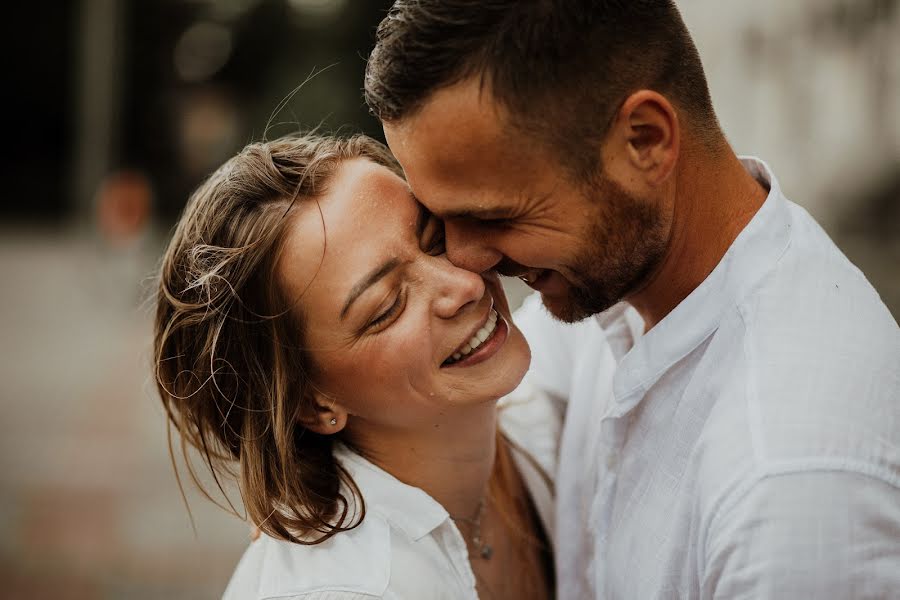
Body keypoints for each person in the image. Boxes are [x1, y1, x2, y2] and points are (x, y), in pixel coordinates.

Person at [364, 1, 900, 598]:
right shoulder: (611, 280)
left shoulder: (789, 488)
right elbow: (502, 419)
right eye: (442, 222)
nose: (463, 262)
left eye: (491, 217)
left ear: (645, 141)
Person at [153, 133, 560, 599]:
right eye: (387, 306)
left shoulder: (550, 418)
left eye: (435, 239)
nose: (462, 285)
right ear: (311, 403)